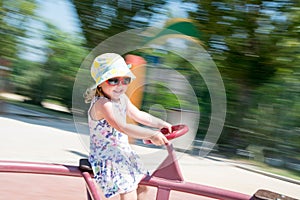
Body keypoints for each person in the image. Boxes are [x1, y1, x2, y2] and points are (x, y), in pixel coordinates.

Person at [84, 53, 171, 200]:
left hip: (124, 154)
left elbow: (139, 115)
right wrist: (151, 134)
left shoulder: (122, 99)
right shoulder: (103, 104)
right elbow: (122, 126)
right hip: (108, 158)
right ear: (100, 82)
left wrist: (161, 123)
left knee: (144, 185)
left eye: (126, 80)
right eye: (113, 80)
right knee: (129, 190)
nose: (120, 85)